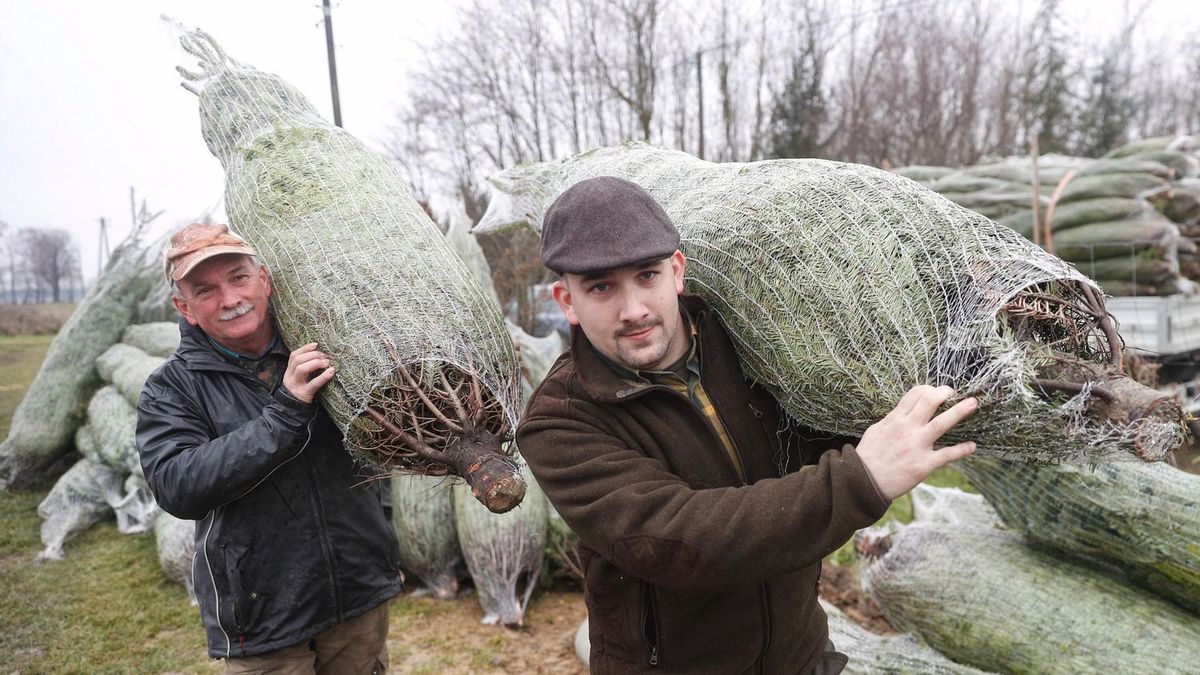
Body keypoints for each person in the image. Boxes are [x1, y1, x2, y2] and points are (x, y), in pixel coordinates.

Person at [516, 177, 978, 674]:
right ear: (567, 301)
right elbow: (681, 543)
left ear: (676, 272)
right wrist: (863, 476)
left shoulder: (753, 343)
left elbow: (821, 425)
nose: (634, 310)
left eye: (646, 276)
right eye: (602, 287)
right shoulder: (560, 422)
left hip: (801, 657)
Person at [136, 223, 403, 674]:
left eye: (239, 277)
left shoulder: (330, 351)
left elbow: (376, 451)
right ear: (184, 308)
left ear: (265, 281)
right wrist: (286, 410)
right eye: (205, 290)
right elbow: (176, 485)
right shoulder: (171, 388)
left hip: (358, 594)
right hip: (261, 615)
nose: (229, 299)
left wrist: (385, 546)